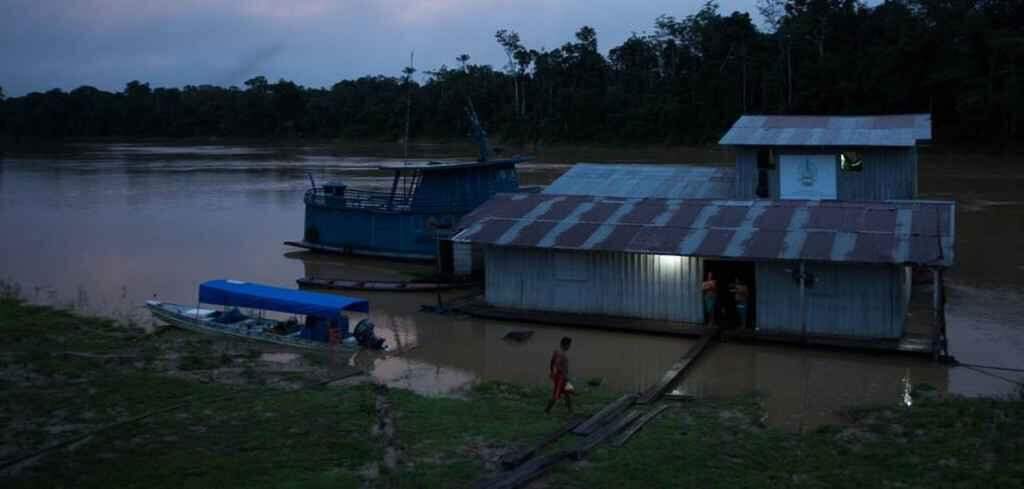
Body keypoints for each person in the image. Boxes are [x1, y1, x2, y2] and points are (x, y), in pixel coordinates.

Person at [545, 337, 574, 414]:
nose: (569, 347)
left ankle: (570, 411)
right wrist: (562, 374)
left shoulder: (557, 352)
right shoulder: (561, 354)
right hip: (561, 378)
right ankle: (547, 410)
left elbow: (552, 362)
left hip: (562, 377)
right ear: (565, 345)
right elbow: (557, 365)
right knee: (556, 395)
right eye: (569, 345)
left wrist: (551, 372)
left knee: (567, 393)